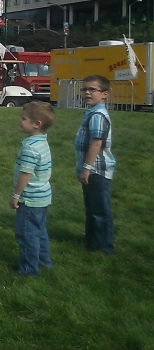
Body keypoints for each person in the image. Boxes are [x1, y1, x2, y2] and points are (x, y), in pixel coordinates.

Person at [10, 101, 55, 276]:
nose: (19, 121)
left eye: (24, 119)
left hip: (30, 199)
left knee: (26, 234)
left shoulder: (30, 147)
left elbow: (25, 174)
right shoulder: (42, 142)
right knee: (39, 231)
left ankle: (29, 270)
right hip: (43, 198)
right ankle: (44, 261)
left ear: (37, 124)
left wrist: (16, 195)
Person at [75, 75, 116, 254]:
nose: (87, 93)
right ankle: (92, 241)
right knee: (92, 207)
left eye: (93, 89)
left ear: (104, 94)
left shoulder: (98, 115)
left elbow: (96, 143)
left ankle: (104, 246)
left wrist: (87, 168)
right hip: (92, 170)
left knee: (99, 210)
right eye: (85, 89)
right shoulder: (92, 112)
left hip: (97, 170)